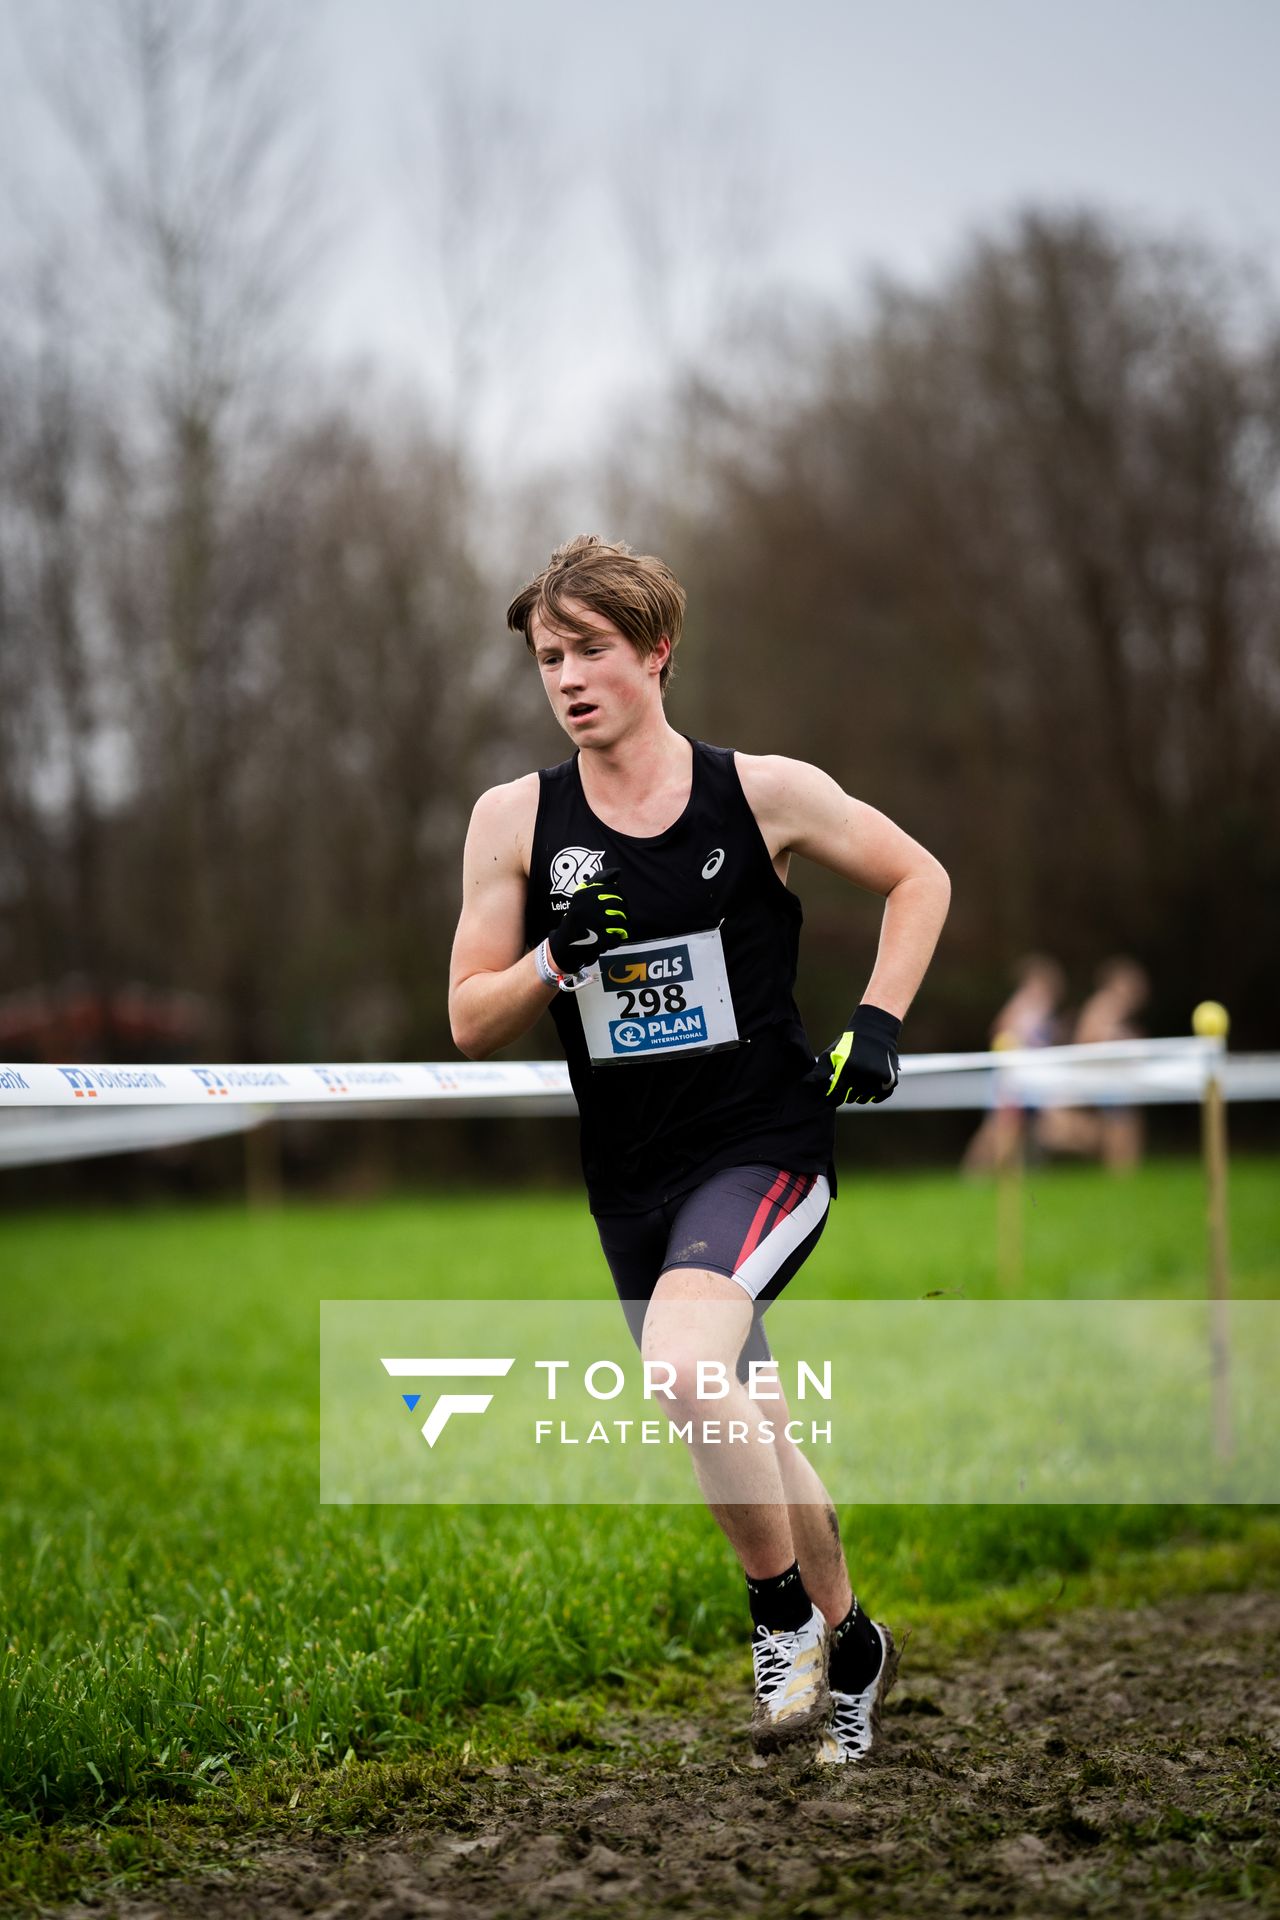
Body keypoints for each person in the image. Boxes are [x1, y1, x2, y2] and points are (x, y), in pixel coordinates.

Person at [448, 535, 950, 1765]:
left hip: (764, 1144)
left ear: (656, 652)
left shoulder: (759, 792)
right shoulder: (515, 819)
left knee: (680, 1368)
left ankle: (776, 1614)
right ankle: (852, 1634)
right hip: (630, 1177)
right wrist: (553, 958)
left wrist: (877, 1020)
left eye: (591, 652)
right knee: (747, 1420)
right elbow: (467, 1018)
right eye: (547, 658)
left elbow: (916, 878)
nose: (565, 678)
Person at [961, 953, 1066, 1174]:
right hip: (1012, 1076)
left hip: (1031, 1078)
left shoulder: (1042, 1007)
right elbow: (1000, 1033)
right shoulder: (1023, 1003)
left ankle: (1009, 1171)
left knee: (1017, 1127)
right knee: (998, 1128)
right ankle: (975, 1174)